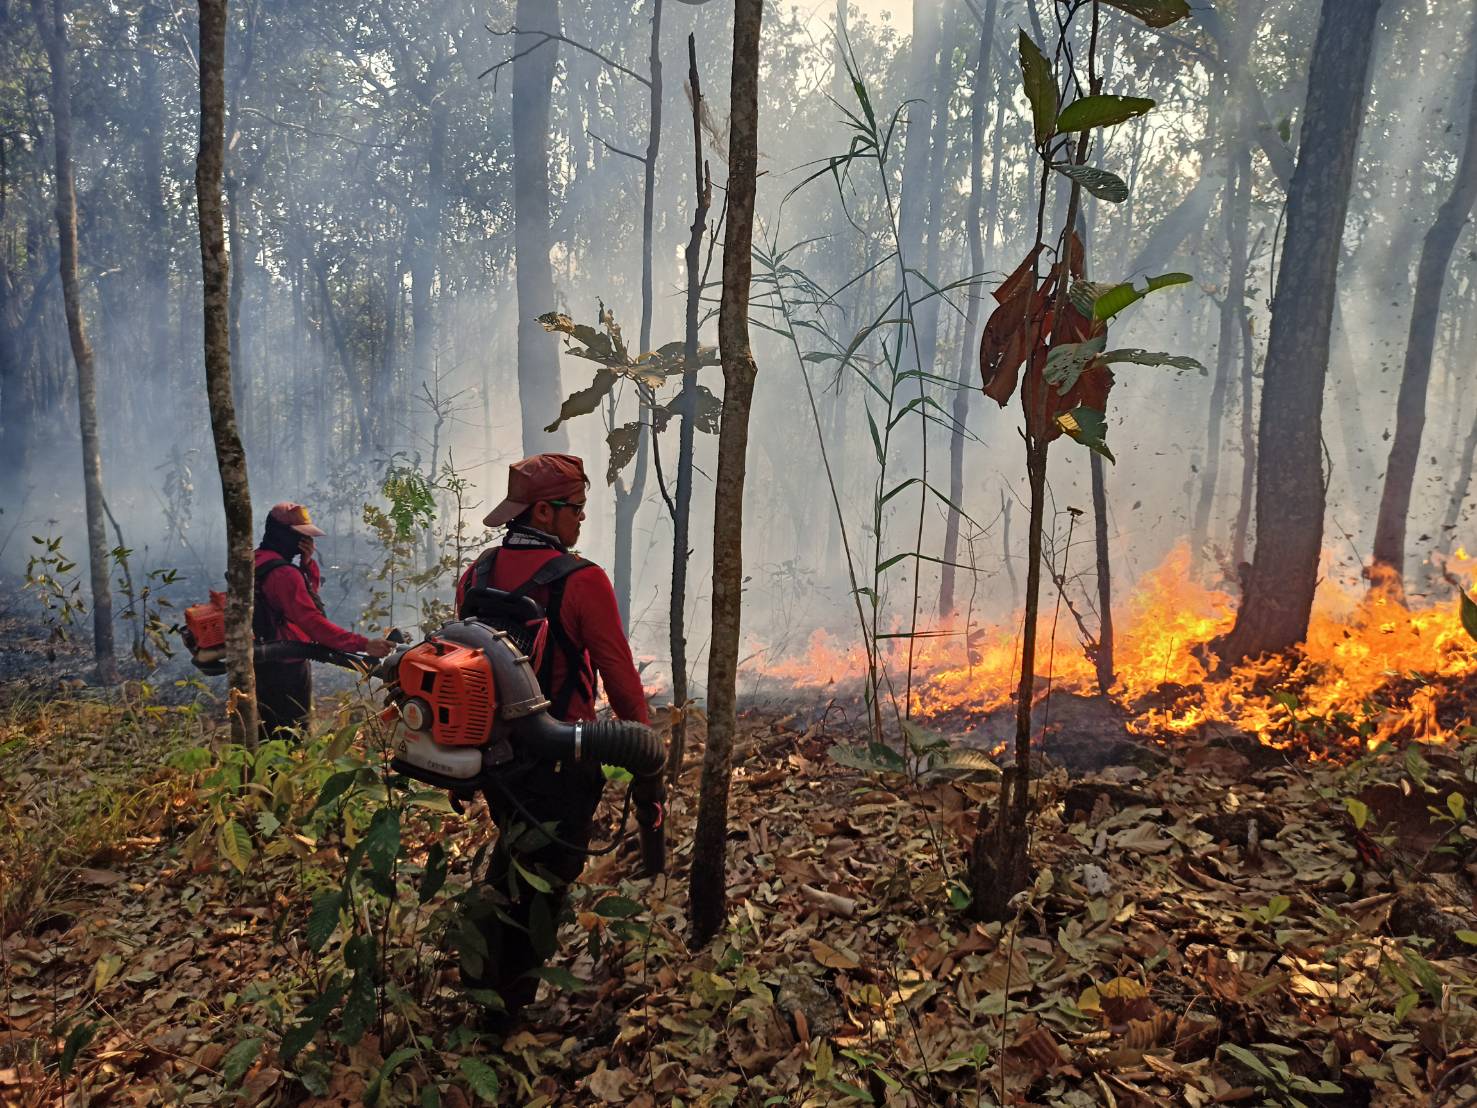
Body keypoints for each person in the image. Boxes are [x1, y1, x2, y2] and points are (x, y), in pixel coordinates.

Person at [454, 453, 649, 1026]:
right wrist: (647, 761)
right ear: (544, 510)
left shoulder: (477, 574)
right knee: (544, 885)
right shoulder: (583, 581)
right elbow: (622, 680)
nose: (582, 520)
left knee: (516, 857)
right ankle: (504, 1014)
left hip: (496, 761)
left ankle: (486, 990)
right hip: (565, 758)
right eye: (576, 509)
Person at [254, 502, 392, 740]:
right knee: (289, 734)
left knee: (266, 729)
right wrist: (364, 644)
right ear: (284, 535)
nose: (304, 543)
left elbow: (301, 602)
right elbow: (312, 622)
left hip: (263, 660)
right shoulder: (284, 574)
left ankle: (264, 775)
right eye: (300, 536)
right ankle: (283, 775)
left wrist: (306, 565)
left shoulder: (257, 560)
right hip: (286, 668)